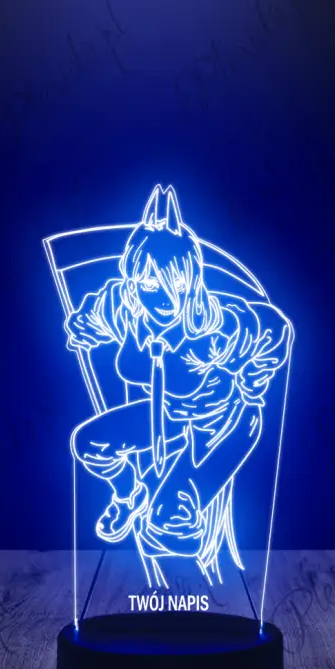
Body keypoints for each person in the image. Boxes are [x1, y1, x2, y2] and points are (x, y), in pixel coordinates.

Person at [65, 184, 293, 569]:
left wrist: (254, 378)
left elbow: (276, 329)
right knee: (89, 443)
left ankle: (176, 521)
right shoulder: (124, 306)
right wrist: (81, 328)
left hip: (227, 421)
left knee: (167, 527)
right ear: (134, 281)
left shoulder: (216, 326)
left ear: (191, 279)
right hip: (166, 412)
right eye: (151, 285)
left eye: (178, 285)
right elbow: (93, 315)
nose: (166, 301)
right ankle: (130, 495)